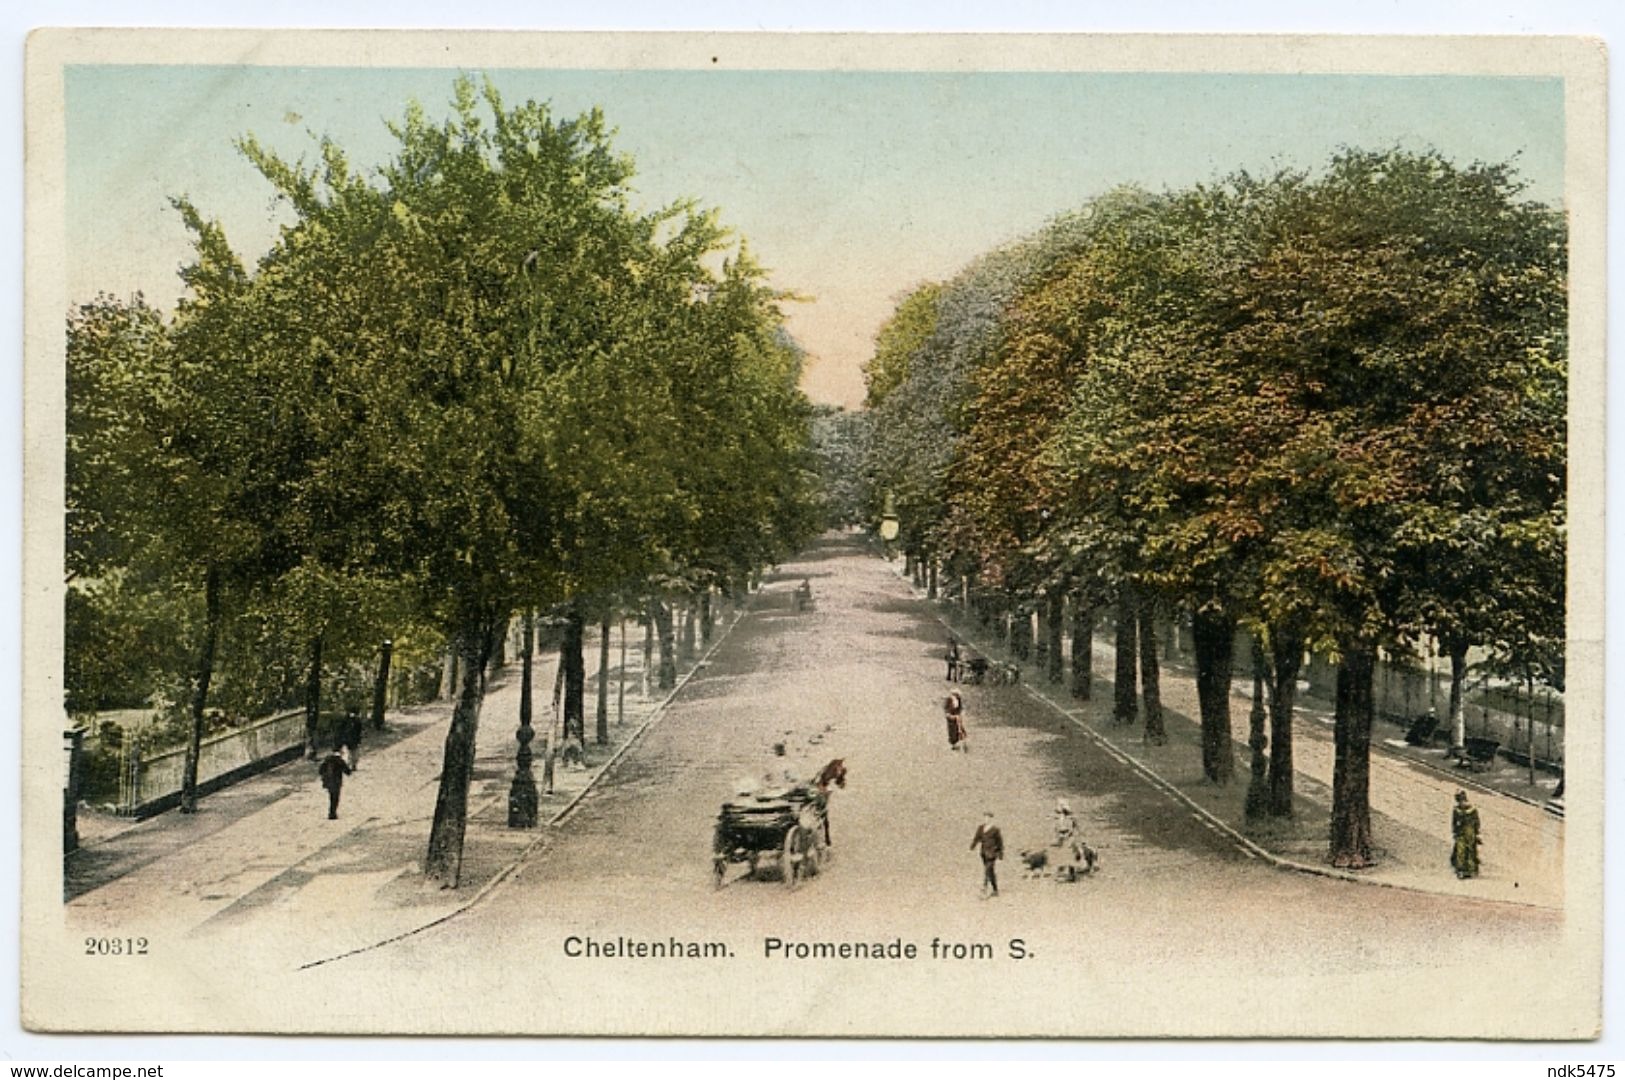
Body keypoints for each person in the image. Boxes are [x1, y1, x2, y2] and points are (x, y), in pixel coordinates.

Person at [970, 811, 1004, 897]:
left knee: (987, 870)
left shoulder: (995, 830)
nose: (986, 820)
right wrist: (972, 847)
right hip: (983, 853)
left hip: (992, 853)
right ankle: (995, 890)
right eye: (985, 818)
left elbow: (1000, 842)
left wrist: (1000, 853)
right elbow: (976, 838)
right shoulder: (981, 828)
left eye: (988, 818)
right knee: (990, 872)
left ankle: (984, 889)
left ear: (991, 819)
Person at [1450, 789, 1481, 879]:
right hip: (1463, 832)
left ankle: (1469, 869)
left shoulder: (1471, 809)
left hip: (1469, 831)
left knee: (1469, 850)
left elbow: (1476, 822)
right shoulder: (1457, 810)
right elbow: (1454, 822)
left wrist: (1476, 832)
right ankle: (1462, 869)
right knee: (1462, 850)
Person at [318, 747, 353, 820]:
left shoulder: (326, 760)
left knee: (331, 796)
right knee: (335, 798)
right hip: (336, 782)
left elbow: (320, 771)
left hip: (328, 782)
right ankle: (332, 813)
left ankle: (331, 812)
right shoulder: (339, 761)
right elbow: (348, 772)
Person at [341, 706, 364, 770]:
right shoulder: (356, 720)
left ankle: (350, 764)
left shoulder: (346, 719)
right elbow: (359, 730)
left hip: (349, 738)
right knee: (353, 752)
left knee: (350, 752)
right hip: (353, 738)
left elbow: (342, 728)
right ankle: (352, 764)